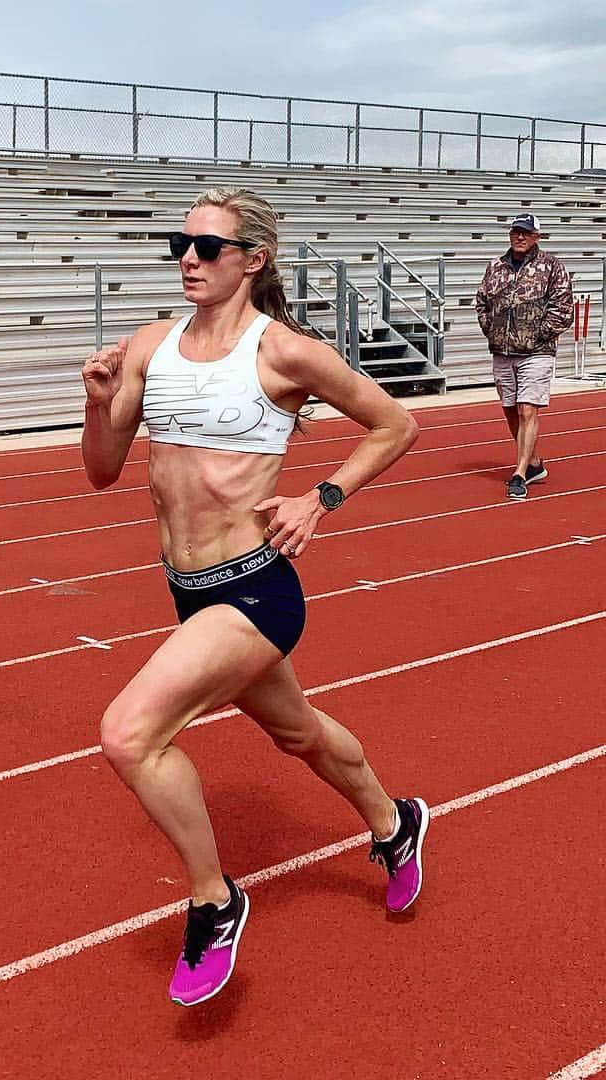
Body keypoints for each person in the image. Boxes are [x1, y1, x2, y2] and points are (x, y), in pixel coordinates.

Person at [81, 188, 428, 1009]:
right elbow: (100, 470)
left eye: (208, 247)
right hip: (187, 592)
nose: (188, 260)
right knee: (297, 732)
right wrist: (98, 404)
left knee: (129, 735)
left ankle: (213, 900)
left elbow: (394, 425)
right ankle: (395, 822)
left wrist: (321, 499)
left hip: (256, 590)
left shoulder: (285, 354)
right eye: (181, 245)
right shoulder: (148, 346)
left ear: (254, 260)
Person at [475, 213, 574, 500]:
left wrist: (539, 335)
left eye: (526, 233)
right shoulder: (496, 266)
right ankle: (532, 463)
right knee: (510, 409)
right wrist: (491, 331)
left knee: (527, 409)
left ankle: (519, 473)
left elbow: (563, 309)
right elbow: (481, 301)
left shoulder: (552, 267)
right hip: (502, 351)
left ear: (536, 237)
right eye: (516, 232)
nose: (520, 237)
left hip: (537, 352)